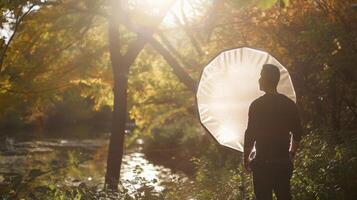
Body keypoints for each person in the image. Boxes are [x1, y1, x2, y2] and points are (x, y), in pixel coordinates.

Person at [243, 64, 303, 200]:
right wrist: (291, 153)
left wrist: (246, 159)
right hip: (282, 163)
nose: (258, 80)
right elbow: (298, 133)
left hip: (262, 165)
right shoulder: (289, 104)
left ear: (265, 79)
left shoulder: (256, 105)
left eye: (260, 76)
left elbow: (250, 135)